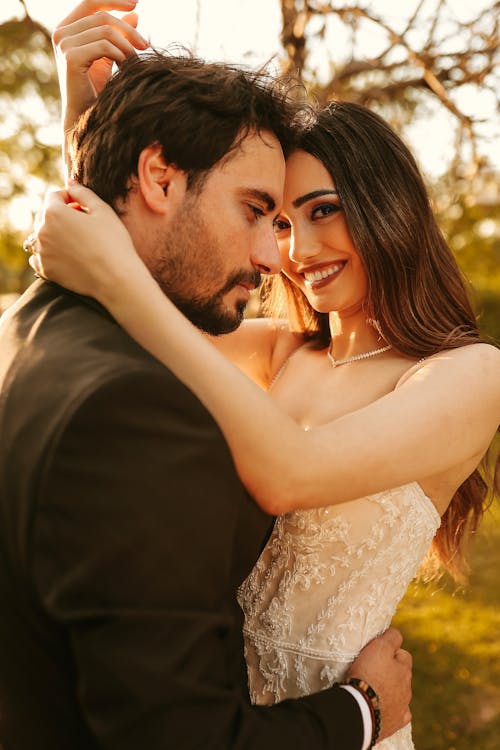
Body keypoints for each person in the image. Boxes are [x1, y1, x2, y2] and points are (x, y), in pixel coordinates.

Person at [30, 5, 500, 748]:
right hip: (240, 722)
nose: (293, 248)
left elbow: (291, 471)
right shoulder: (282, 350)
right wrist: (82, 114)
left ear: (388, 210)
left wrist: (120, 279)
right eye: (277, 219)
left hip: (354, 727)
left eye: (324, 212)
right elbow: (130, 300)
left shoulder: (470, 374)